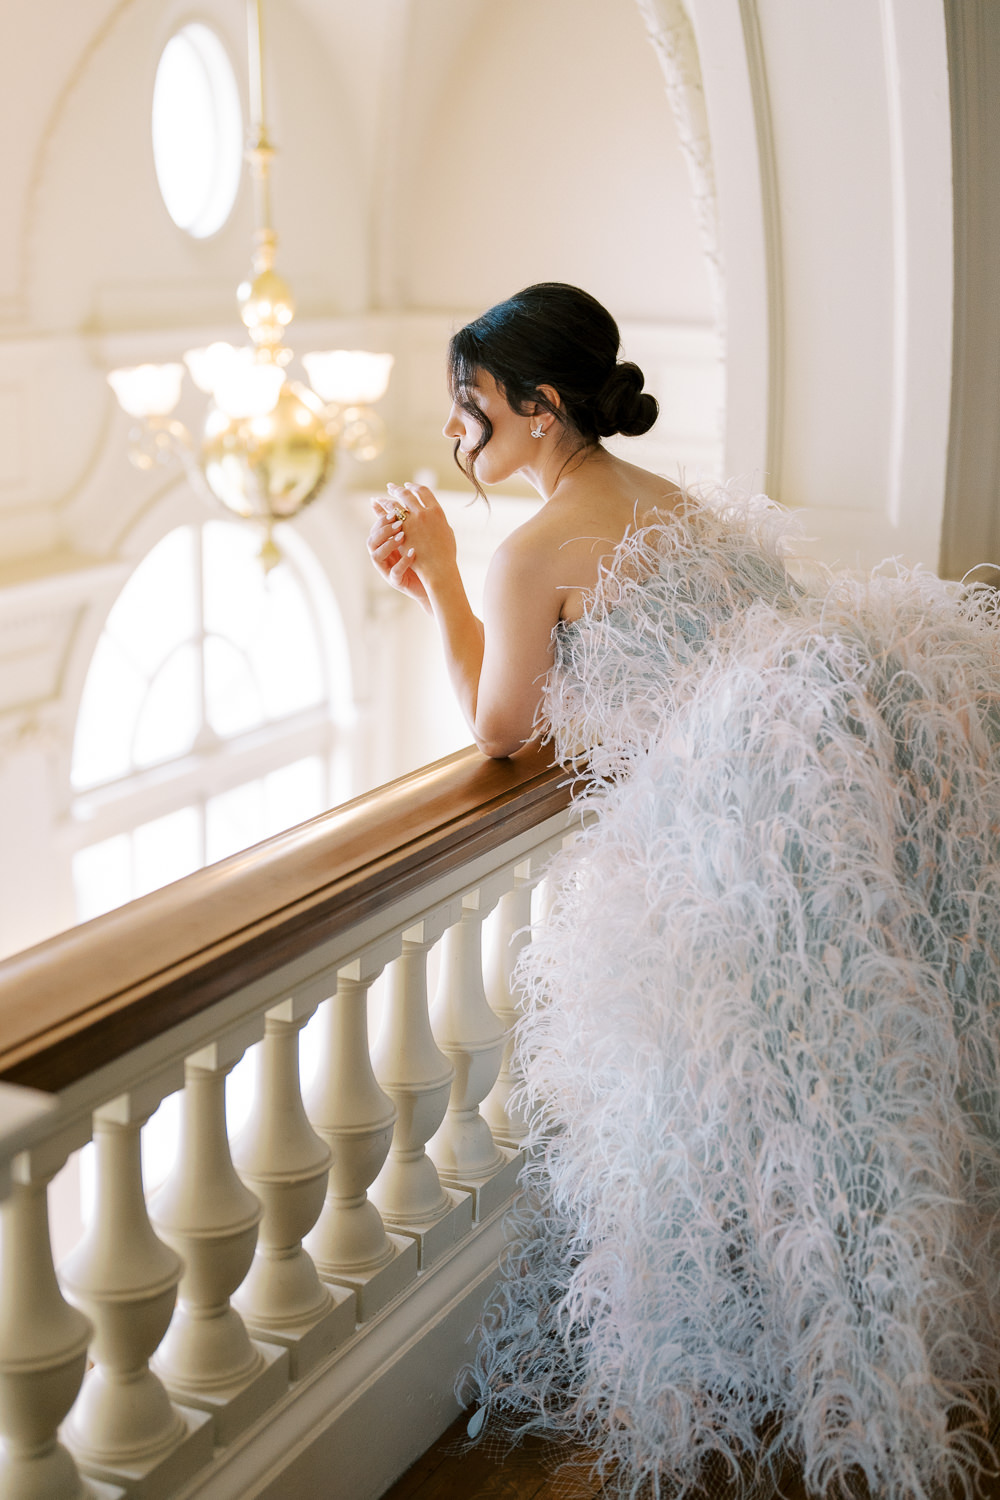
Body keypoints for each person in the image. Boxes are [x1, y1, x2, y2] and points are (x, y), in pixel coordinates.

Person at [367, 284, 1000, 1500]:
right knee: (827, 1121)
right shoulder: (674, 506)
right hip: (818, 845)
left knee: (725, 1136)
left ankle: (765, 1389)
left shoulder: (526, 550)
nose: (462, 438)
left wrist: (441, 576)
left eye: (473, 412)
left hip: (713, 875)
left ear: (541, 410)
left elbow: (502, 733)